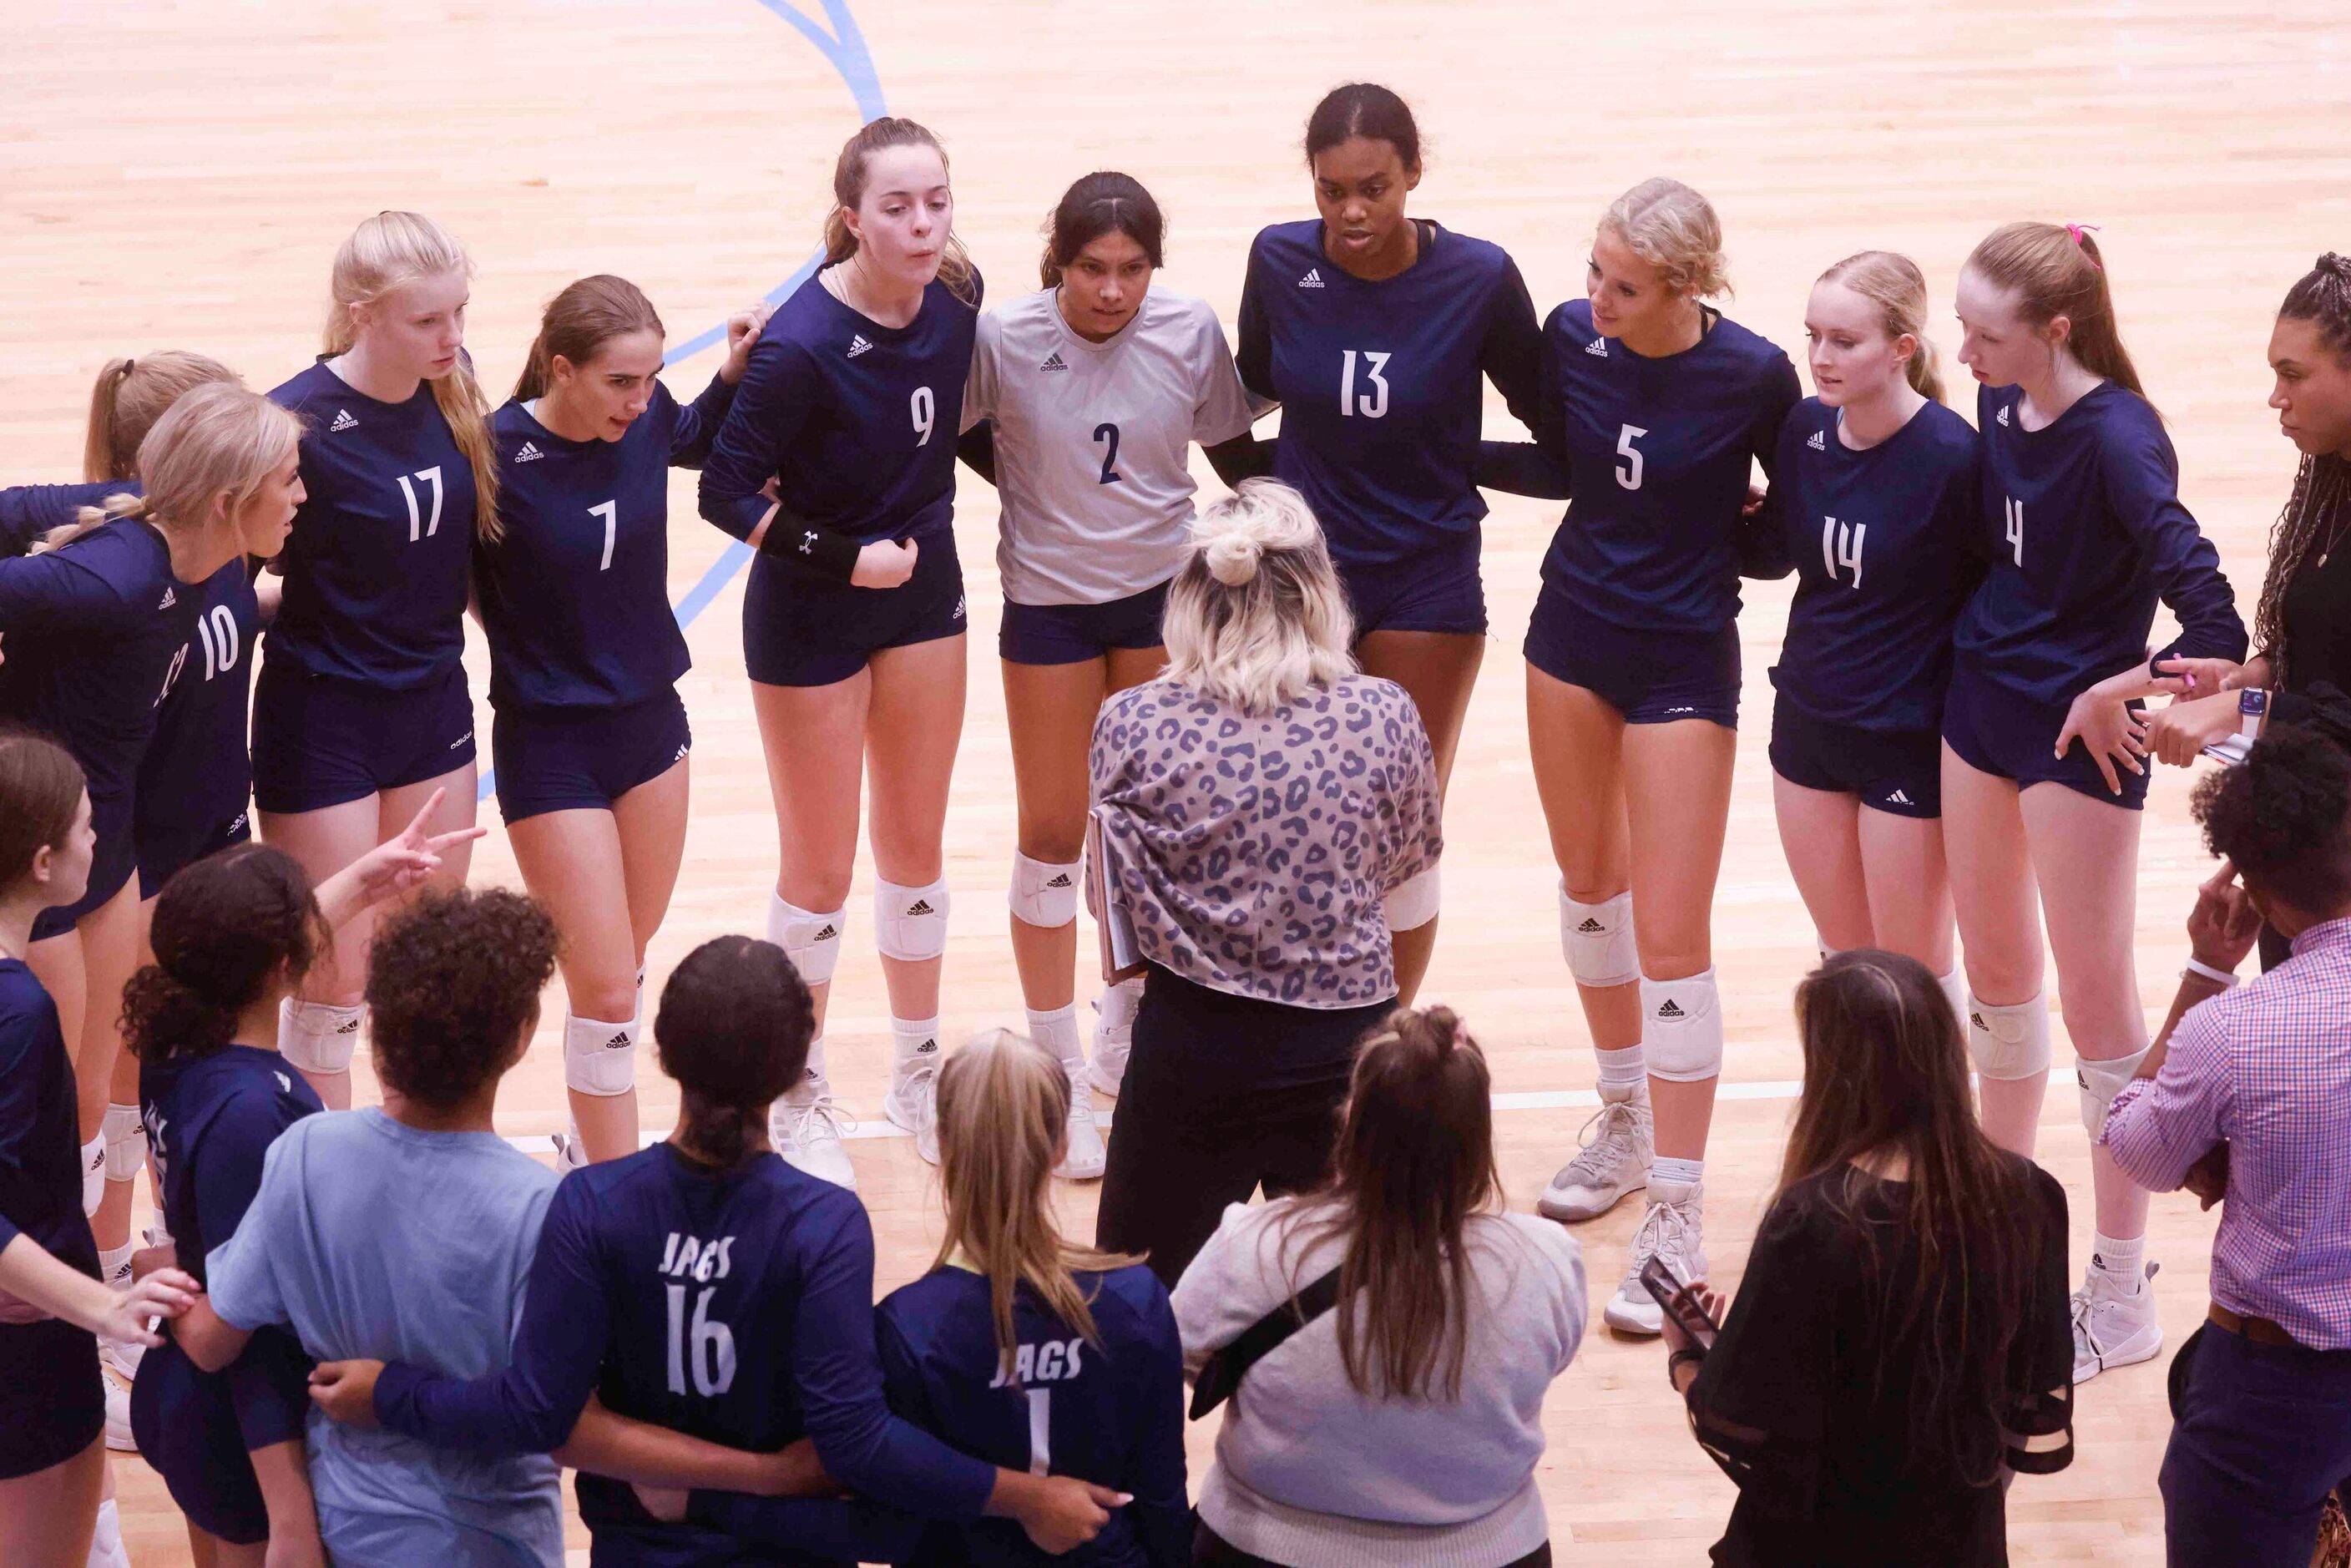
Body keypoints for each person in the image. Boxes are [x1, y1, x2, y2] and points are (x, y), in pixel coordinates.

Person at [303, 935, 1132, 1564]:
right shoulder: (824, 1223)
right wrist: (1024, 1496)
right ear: (796, 1067)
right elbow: (853, 1443)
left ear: (661, 1055)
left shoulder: (591, 1203)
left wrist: (391, 1394)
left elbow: (536, 1413)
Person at [1484, 177, 1802, 1333]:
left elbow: (1783, 538)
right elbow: (1570, 467)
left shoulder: (1755, 374)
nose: (1594, 297)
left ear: (1683, 285)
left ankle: (1677, 1204)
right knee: (1589, 892)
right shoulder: (1576, 338)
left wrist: (1743, 525)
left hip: (1680, 661)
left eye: (1622, 283)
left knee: (1673, 935)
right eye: (1594, 271)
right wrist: (1440, 456)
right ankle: (1621, 1118)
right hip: (1568, 634)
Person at [1944, 221, 2245, 1380]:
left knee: (2098, 1007)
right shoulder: (1996, 404)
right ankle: (1983, 1245)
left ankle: (2119, 1291)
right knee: (2001, 991)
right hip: (1977, 715)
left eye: (1987, 333)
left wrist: (2114, 687)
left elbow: (2215, 630)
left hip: (2078, 749)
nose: (1965, 350)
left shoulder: (2121, 440)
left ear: (2054, 329)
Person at [699, 118, 984, 1183]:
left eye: (936, 202)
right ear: (851, 218)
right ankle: (797, 1085)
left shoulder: (959, 292)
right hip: (812, 610)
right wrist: (842, 553)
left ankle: (917, 1071)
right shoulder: (801, 345)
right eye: (897, 208)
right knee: (817, 869)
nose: (920, 225)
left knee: (914, 847)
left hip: (926, 596)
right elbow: (722, 491)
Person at [960, 170, 1260, 1163]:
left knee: (1137, 827)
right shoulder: (1002, 338)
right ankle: (1053, 1069)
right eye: (1092, 269)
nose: (1112, 290)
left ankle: (1122, 1029)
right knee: (1051, 830)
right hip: (1046, 605)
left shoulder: (1185, 327)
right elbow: (959, 432)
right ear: (1059, 264)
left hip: (1155, 602)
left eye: (1132, 269)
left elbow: (1231, 447)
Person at [1089, 480, 1443, 1286]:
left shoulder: (1129, 722)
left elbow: (1118, 928)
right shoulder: (1384, 713)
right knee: (1352, 1332)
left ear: (1188, 601)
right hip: (1345, 1051)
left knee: (1136, 1312)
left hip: (1190, 1052)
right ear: (1320, 595)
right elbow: (1410, 898)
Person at [1235, 83, 1543, 1000]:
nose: (1352, 211)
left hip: (1424, 580)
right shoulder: (1279, 260)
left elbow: (1562, 434)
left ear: (1414, 172)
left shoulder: (1477, 277)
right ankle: (1292, 1017)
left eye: (1374, 186)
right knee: (1283, 812)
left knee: (1396, 828)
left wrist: (1461, 454)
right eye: (1332, 191)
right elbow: (1241, 391)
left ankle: (1379, 1041)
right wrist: (1252, 494)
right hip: (1299, 583)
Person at [169, 885, 569, 1563]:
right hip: (498, 1543)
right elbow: (553, 1420)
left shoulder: (304, 1152)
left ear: (378, 1027)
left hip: (348, 1529)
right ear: (524, 1034)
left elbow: (213, 1341)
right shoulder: (543, 1208)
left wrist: (165, 1276)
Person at [125, 810, 478, 1568]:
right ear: (284, 964)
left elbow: (248, 945)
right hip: (245, 1434)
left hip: (182, 1403)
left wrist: (364, 879)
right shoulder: (254, 1113)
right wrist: (290, 1513)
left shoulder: (175, 1032)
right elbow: (234, 1336)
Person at [2, 384, 299, 1268]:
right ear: (227, 500)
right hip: (38, 863)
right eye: (287, 479)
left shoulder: (187, 559)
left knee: (92, 1103)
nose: (301, 497)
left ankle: (90, 1319)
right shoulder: (113, 581)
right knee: (46, 1118)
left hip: (109, 847)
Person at [479, 275, 768, 1166]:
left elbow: (686, 438)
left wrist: (726, 377)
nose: (640, 402)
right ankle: (612, 1192)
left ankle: (584, 1145)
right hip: (549, 740)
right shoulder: (489, 455)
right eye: (619, 383)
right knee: (604, 988)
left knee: (622, 967)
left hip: (650, 727)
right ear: (561, 370)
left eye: (650, 381)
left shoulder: (644, 417)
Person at [1661, 952, 2074, 1567]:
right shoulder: (2029, 1196)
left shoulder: (1811, 1222)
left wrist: (1687, 1356)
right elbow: (2029, 1403)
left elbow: (1742, 1429)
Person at [1172, 1007, 1586, 1568]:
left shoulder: (1254, 1245)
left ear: (1350, 1122)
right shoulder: (1545, 1261)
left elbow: (1161, 1363)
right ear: (1476, 1143)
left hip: (1259, 1551)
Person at [259, 210, 495, 1110]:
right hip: (326, 719)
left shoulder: (453, 386)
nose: (452, 337)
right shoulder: (294, 424)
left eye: (459, 314)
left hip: (433, 706)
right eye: (428, 320)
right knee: (332, 981)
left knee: (422, 966)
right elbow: (230, 570)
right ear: (362, 315)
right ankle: (330, 1187)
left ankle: (417, 1159)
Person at [2101, 726, 2351, 1565]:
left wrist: (2205, 971)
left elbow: (2134, 1151)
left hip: (2273, 1394)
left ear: (2252, 893)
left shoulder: (2231, 1034)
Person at [1748, 254, 1977, 1004]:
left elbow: (1992, 604)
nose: (1820, 357)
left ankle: (1935, 1126)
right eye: (1814, 335)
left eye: (1845, 341)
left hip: (1905, 738)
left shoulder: (1954, 457)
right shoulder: (1804, 429)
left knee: (1911, 978)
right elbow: (1779, 550)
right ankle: (1859, 1126)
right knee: (1846, 973)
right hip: (1809, 724)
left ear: (1903, 349)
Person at [0, 731, 200, 1568]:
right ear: (43, 861)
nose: (98, 839)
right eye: (85, 827)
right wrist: (101, 1307)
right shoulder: (18, 1014)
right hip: (30, 1346)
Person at [877, 1029, 1189, 1565]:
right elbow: (1161, 1498)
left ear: (943, 1143)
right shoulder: (1136, 1300)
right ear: (1061, 1146)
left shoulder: (907, 1325)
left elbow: (896, 1527)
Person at [2148, 254, 2351, 967]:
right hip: (2310, 831)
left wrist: (2247, 711)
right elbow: (2321, 644)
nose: (2276, 398)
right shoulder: (2332, 474)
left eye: (2293, 375)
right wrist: (2240, 679)